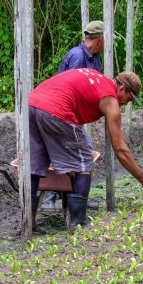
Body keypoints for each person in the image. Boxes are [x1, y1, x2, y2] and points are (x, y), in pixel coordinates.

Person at [28, 68, 143, 232]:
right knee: (84, 161)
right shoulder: (111, 100)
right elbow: (119, 148)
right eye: (129, 98)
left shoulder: (97, 78)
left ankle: (28, 222)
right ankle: (78, 223)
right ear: (121, 89)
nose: (126, 103)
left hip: (31, 104)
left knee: (33, 165)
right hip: (57, 109)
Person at [40, 20, 105, 211]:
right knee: (72, 150)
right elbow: (68, 90)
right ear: (99, 39)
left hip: (76, 114)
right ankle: (52, 195)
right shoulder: (77, 57)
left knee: (83, 151)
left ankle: (76, 197)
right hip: (61, 113)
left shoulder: (96, 58)